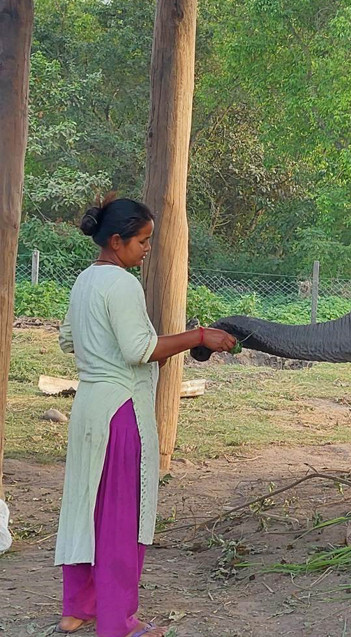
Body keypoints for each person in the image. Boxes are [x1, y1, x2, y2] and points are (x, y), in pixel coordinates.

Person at [54, 197, 236, 637]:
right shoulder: (121, 284)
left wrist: (101, 354)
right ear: (116, 242)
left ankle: (77, 608)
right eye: (142, 241)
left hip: (89, 408)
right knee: (119, 517)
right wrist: (198, 335)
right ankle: (118, 621)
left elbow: (66, 339)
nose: (147, 248)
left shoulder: (84, 280)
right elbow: (140, 349)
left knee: (85, 508)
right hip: (120, 412)